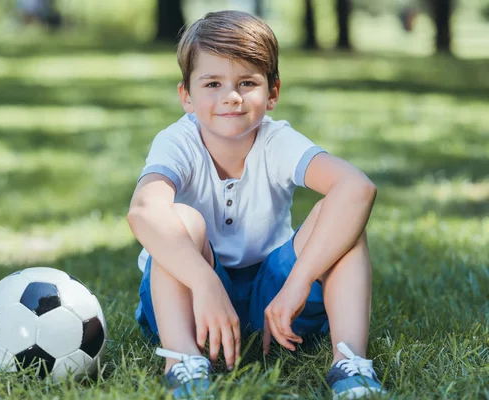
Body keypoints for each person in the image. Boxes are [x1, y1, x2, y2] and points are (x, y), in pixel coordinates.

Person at [127, 10, 384, 399]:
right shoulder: (177, 141)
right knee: (180, 219)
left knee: (344, 225)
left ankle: (349, 364)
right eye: (212, 83)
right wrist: (204, 281)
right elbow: (144, 211)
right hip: (187, 298)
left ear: (273, 92)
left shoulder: (276, 140)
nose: (230, 96)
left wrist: (298, 284)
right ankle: (182, 363)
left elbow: (356, 188)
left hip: (275, 297)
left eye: (247, 82)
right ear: (187, 97)